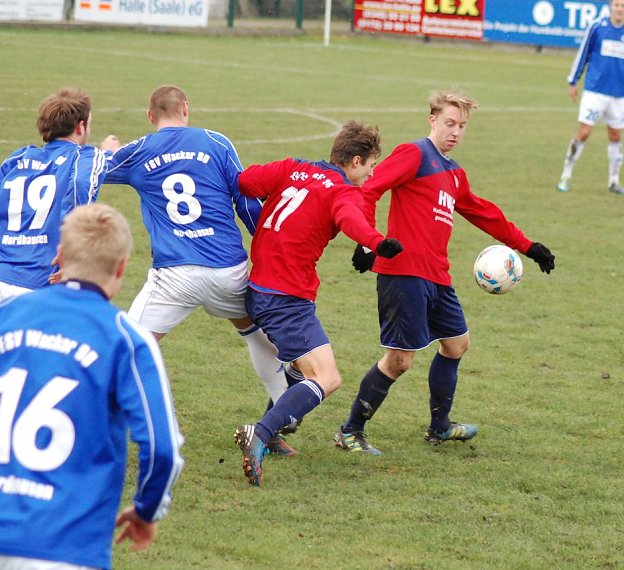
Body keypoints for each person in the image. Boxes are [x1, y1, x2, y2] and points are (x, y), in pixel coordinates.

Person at [338, 90, 556, 455]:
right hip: (404, 272)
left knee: (456, 345)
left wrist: (528, 246)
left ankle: (439, 427)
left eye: (462, 126)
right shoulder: (414, 154)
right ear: (433, 120)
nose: (455, 131)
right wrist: (369, 243)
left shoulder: (454, 174)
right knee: (399, 361)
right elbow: (370, 189)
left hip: (437, 275)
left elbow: (483, 212)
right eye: (449, 123)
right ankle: (350, 430)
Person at [102, 86, 294, 456]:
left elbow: (98, 171)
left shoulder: (139, 150)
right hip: (229, 272)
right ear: (186, 108)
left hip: (175, 277)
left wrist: (109, 151)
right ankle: (283, 411)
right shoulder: (215, 142)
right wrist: (268, 247)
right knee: (253, 333)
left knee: (128, 347)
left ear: (150, 116)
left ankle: (98, 430)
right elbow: (246, 201)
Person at [0, 203, 184, 569]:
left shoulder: (7, 314)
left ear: (60, 255)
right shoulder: (125, 338)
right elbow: (163, 448)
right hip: (64, 545)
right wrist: (147, 511)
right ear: (121, 267)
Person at [233, 120, 403, 487]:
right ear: (355, 161)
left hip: (259, 286)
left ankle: (274, 435)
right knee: (327, 377)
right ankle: (260, 434)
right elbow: (350, 219)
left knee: (299, 363)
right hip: (286, 299)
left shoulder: (294, 167)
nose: (371, 172)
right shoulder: (344, 191)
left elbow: (246, 181)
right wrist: (376, 242)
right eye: (371, 164)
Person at [0, 87, 110, 302]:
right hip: (41, 282)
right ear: (81, 127)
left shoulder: (18, 158)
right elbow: (81, 183)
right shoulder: (85, 156)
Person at [556, 0, 624, 196]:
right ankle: (566, 175)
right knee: (585, 132)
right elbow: (583, 55)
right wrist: (573, 81)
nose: (619, 8)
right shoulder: (597, 27)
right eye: (617, 4)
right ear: (611, 6)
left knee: (615, 136)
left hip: (618, 95)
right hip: (594, 91)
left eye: (623, 5)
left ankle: (614, 181)